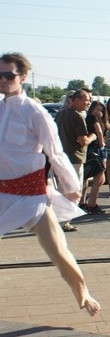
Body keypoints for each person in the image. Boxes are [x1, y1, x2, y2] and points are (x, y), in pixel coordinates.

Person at [0, 52, 100, 316]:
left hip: (32, 196)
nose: (2, 79)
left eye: (8, 75)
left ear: (21, 78)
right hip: (2, 192)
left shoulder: (33, 111)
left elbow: (54, 152)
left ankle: (84, 294)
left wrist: (71, 187)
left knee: (58, 251)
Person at [82, 101, 108, 215]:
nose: (99, 112)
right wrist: (102, 146)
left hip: (92, 149)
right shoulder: (92, 119)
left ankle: (84, 202)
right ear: (92, 109)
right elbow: (99, 133)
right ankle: (92, 204)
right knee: (99, 176)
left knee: (87, 176)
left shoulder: (94, 119)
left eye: (101, 110)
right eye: (97, 109)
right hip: (96, 149)